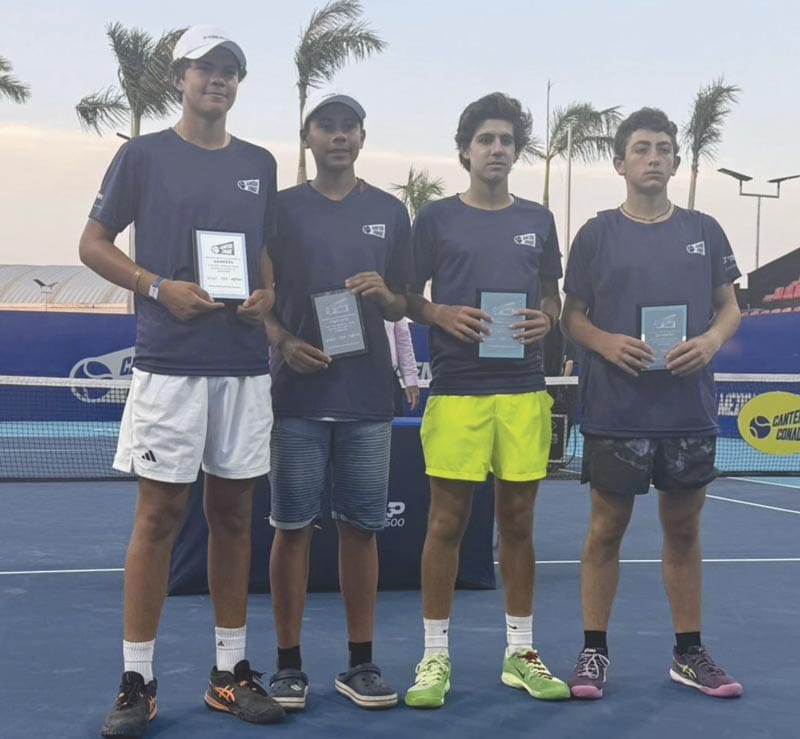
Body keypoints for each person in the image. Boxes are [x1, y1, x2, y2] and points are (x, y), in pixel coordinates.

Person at [79, 25, 285, 737]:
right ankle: (136, 680)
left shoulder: (259, 163)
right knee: (159, 518)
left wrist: (267, 294)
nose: (217, 79)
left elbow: (262, 251)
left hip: (242, 369)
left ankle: (230, 672)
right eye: (205, 68)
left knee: (235, 517)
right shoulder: (142, 156)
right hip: (169, 364)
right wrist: (156, 285)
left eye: (229, 69)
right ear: (180, 79)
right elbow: (92, 245)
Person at [561, 107, 743, 700]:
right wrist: (604, 342)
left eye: (664, 148)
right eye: (642, 148)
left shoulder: (705, 230)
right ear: (620, 163)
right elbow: (571, 317)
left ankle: (688, 653)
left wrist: (710, 341)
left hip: (687, 411)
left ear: (676, 161)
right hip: (617, 411)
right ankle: (593, 651)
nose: (654, 158)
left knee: (683, 530)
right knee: (605, 530)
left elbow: (729, 306)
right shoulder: (595, 235)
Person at [404, 92, 569, 709]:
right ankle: (434, 655)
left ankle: (520, 652)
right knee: (446, 523)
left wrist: (547, 319)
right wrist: (439, 313)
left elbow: (551, 296)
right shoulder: (435, 219)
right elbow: (404, 297)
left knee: (518, 524)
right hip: (457, 392)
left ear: (515, 151)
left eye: (506, 140)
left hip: (523, 392)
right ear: (465, 152)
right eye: (485, 140)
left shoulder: (539, 220)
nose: (496, 149)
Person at [264, 91, 413, 711]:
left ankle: (361, 664)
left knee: (362, 531)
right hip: (296, 397)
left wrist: (385, 294)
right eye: (326, 127)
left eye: (349, 127)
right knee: (292, 529)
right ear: (308, 137)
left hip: (367, 399)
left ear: (362, 137)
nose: (338, 136)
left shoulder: (390, 211)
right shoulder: (278, 208)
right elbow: (258, 299)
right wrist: (284, 343)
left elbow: (404, 304)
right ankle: (288, 667)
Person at [385, 318, 421, 415]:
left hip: (387, 380)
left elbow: (402, 338)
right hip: (350, 380)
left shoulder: (391, 308)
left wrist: (410, 379)